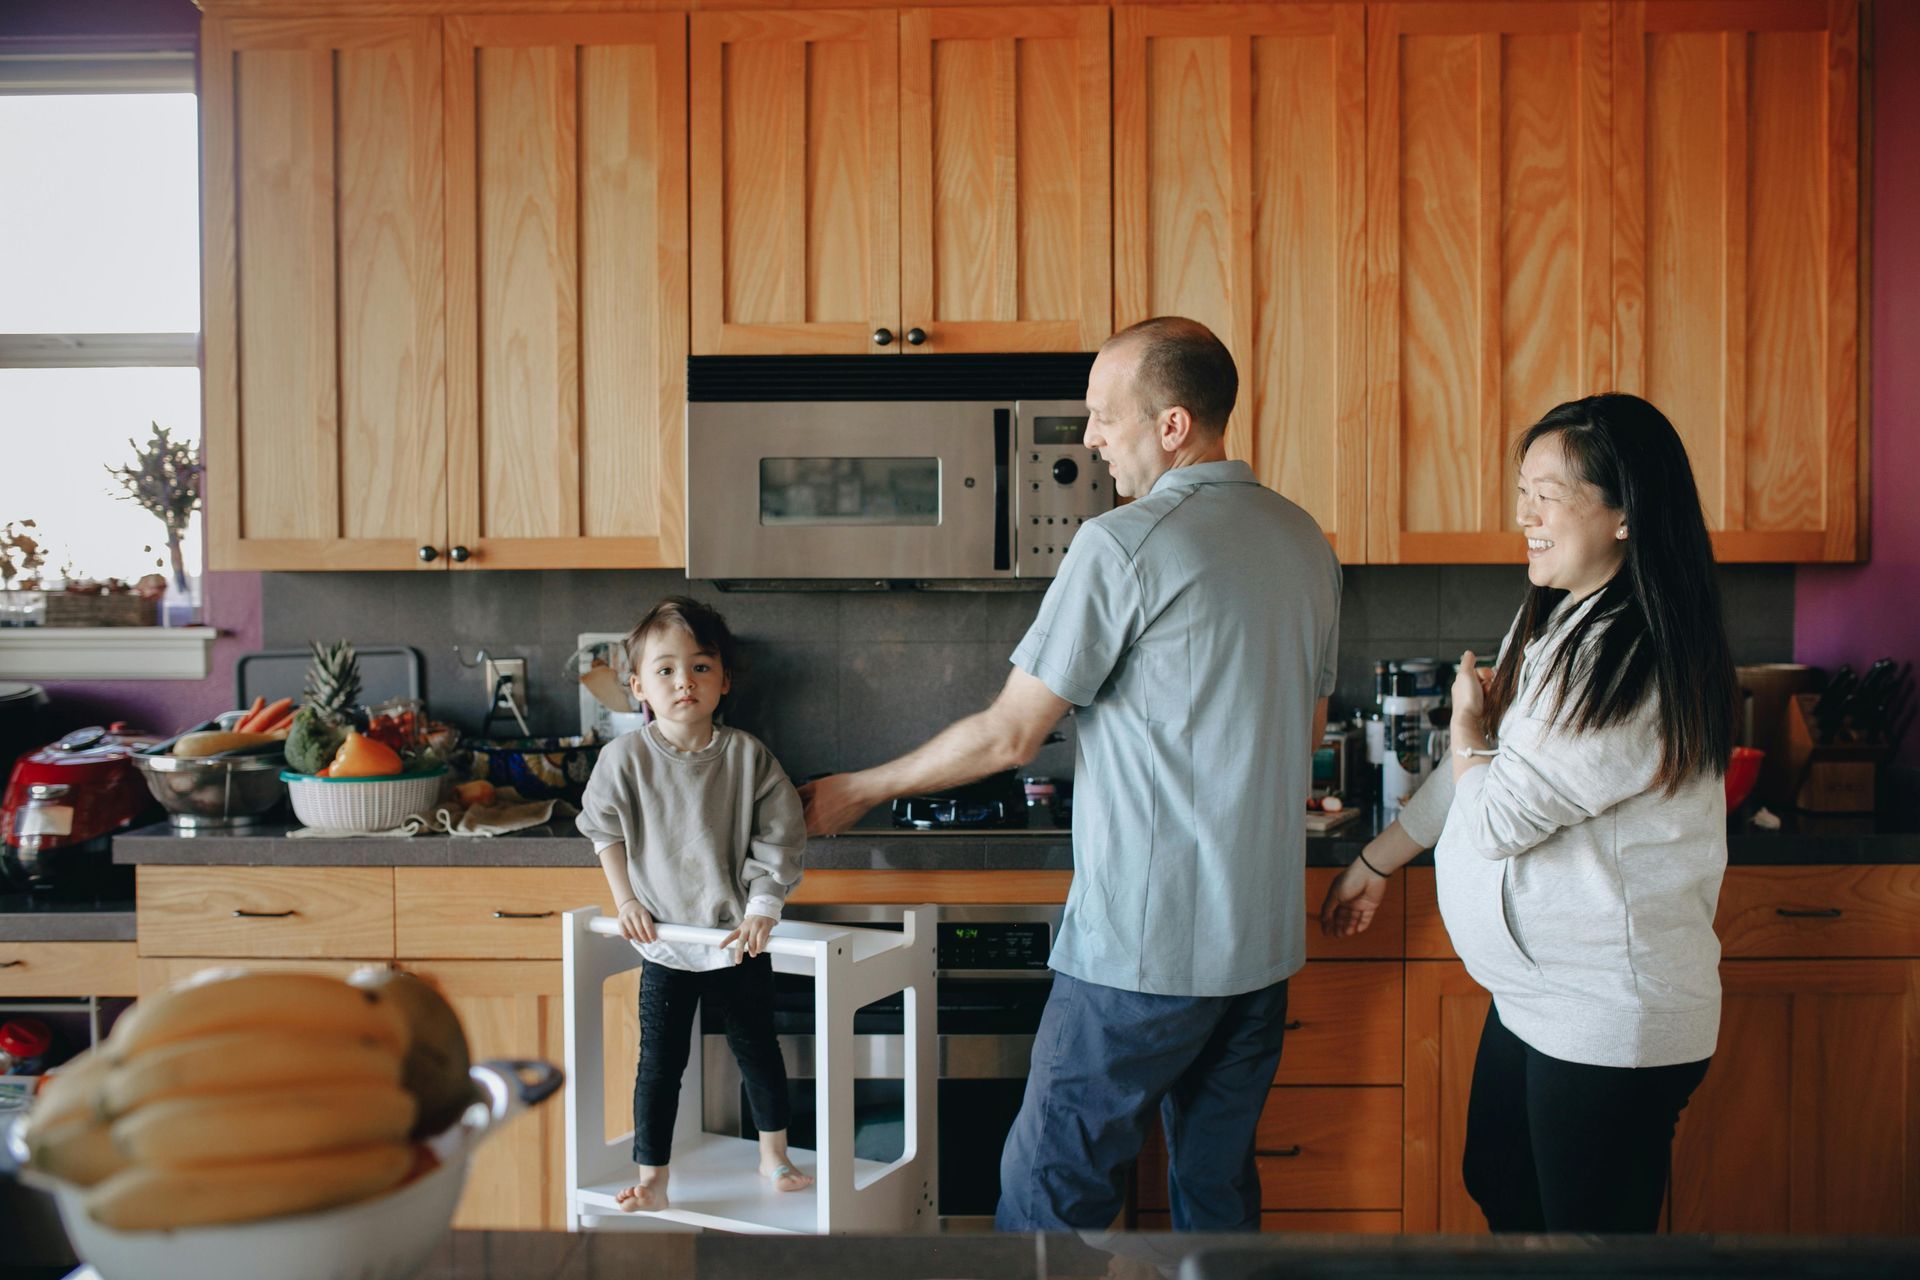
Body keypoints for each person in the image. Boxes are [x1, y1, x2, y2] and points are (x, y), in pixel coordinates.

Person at [803, 317, 1341, 1231]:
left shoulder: (1123, 543)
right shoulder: (1304, 542)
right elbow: (1306, 728)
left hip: (1144, 947)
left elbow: (1012, 735)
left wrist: (858, 788)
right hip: (1257, 950)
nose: (1090, 438)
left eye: (1103, 416)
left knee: (1050, 1195)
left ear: (1171, 425)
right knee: (1215, 1198)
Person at [1319, 393, 1735, 1233]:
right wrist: (1377, 859)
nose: (1525, 515)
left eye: (1548, 492)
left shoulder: (1637, 656)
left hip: (1610, 1009)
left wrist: (1469, 722)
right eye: (1522, 491)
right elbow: (1469, 778)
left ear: (1624, 513)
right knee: (1502, 1183)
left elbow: (1500, 811)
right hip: (1540, 998)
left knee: (1585, 1243)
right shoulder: (1553, 623)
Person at [575, 595, 814, 1212]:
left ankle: (773, 1154)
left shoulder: (748, 757)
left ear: (724, 680)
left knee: (757, 1051)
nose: (685, 681)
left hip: (736, 940)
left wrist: (764, 907)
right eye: (665, 670)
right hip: (664, 943)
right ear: (637, 687)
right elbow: (604, 831)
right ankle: (652, 1179)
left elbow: (780, 836)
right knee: (658, 1067)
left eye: (701, 667)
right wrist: (624, 898)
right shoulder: (622, 759)